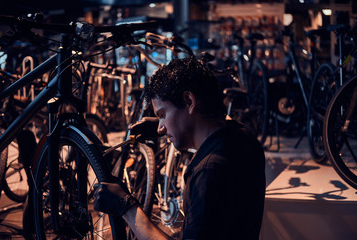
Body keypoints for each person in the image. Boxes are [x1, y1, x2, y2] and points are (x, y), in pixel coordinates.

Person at [94, 56, 266, 240]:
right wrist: (169, 123)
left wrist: (126, 208)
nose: (160, 128)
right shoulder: (244, 138)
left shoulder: (209, 172)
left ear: (189, 101)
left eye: (162, 114)